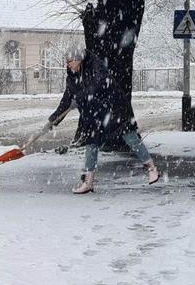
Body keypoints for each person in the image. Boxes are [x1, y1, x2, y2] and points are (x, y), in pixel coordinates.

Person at [68, 44, 159, 195]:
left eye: (70, 61)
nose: (68, 64)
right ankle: (88, 182)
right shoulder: (74, 73)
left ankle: (152, 169)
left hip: (115, 108)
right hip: (96, 112)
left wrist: (80, 97)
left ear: (78, 59)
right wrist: (53, 120)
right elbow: (69, 96)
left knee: (130, 138)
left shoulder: (95, 65)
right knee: (91, 143)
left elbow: (98, 85)